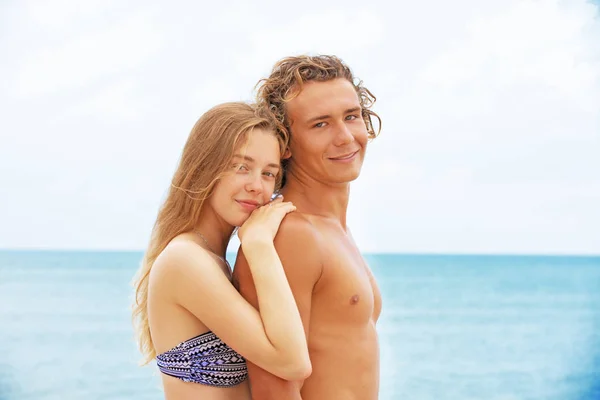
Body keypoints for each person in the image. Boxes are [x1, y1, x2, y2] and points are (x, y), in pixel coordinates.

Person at [132, 102, 311, 400]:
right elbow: (292, 362)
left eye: (268, 173)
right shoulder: (184, 260)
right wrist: (259, 244)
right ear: (204, 168)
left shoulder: (213, 261)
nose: (257, 186)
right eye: (241, 167)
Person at [232, 55, 383, 399]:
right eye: (320, 124)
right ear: (285, 143)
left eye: (351, 116)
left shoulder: (331, 229)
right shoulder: (291, 236)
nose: (345, 137)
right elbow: (274, 390)